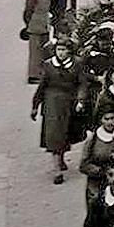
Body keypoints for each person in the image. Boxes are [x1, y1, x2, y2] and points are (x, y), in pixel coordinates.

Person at [31, 37, 87, 183]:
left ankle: (61, 158)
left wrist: (81, 100)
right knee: (53, 134)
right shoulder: (48, 65)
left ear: (70, 51)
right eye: (58, 50)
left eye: (64, 50)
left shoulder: (77, 64)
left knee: (66, 132)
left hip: (69, 102)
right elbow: (42, 86)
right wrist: (35, 105)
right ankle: (57, 171)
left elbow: (82, 84)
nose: (61, 53)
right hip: (52, 103)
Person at [79, 103, 114, 208]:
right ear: (101, 120)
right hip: (97, 182)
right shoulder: (93, 138)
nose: (110, 122)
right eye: (106, 119)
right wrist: (101, 171)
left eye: (112, 118)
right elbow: (83, 165)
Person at [23, 0, 53, 84]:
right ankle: (33, 75)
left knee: (44, 51)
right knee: (35, 52)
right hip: (35, 27)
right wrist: (28, 25)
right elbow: (28, 11)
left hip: (44, 26)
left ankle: (41, 73)